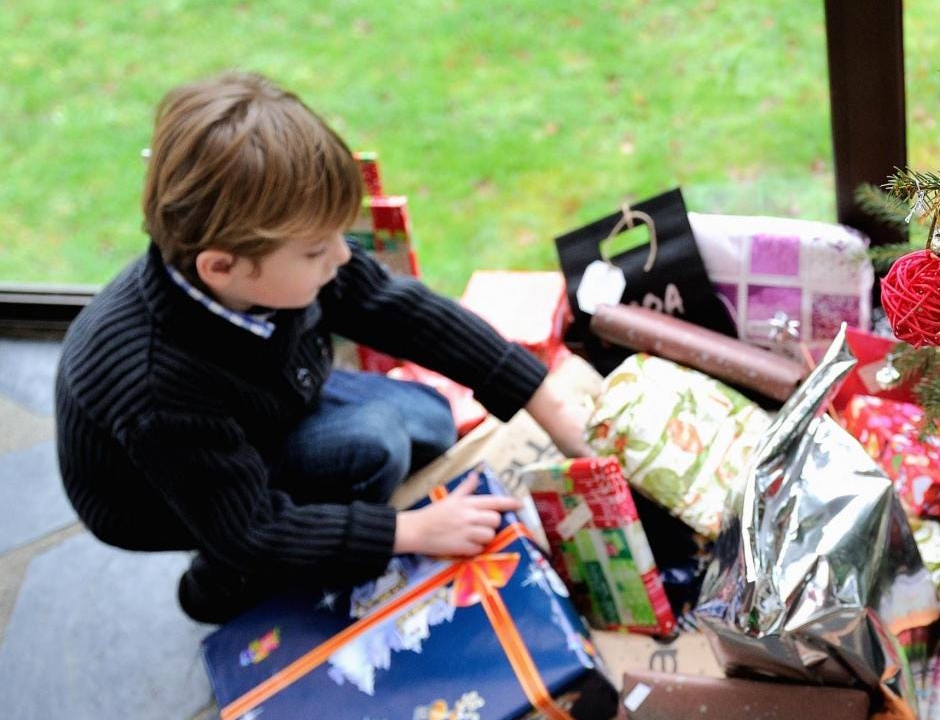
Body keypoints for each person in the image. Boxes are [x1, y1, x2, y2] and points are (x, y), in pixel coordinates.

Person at [55, 71, 590, 623]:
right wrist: (406, 532)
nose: (341, 257)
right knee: (372, 447)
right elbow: (253, 529)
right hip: (167, 497)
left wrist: (541, 398)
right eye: (316, 251)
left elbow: (397, 308)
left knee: (428, 419)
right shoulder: (156, 390)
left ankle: (314, 512)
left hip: (260, 405)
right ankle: (218, 584)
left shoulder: (264, 264)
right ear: (220, 267)